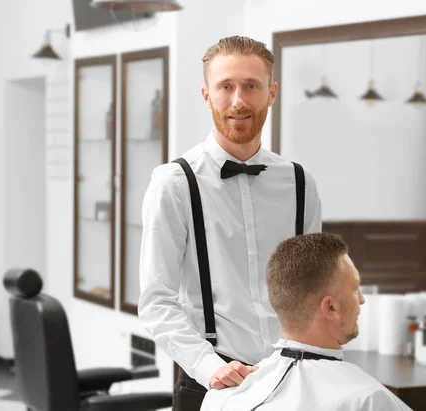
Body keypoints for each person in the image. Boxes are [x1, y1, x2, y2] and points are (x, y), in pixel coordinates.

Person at [138, 36, 322, 411]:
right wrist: (209, 368)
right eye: (226, 86)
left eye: (251, 86)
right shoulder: (174, 183)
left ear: (271, 93)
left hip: (288, 383)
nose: (238, 100)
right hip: (209, 385)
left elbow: (313, 289)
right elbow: (156, 300)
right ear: (207, 95)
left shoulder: (301, 184)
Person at [200, 233, 412, 411]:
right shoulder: (367, 400)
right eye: (354, 288)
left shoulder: (220, 397)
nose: (362, 299)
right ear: (331, 308)